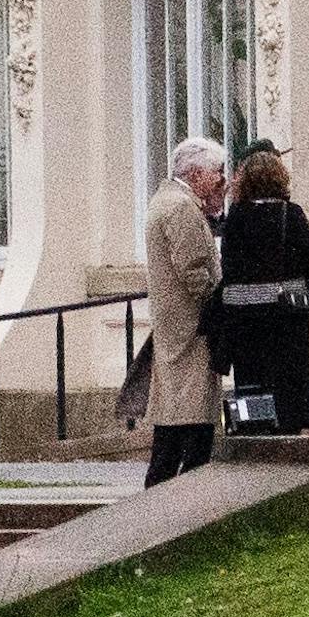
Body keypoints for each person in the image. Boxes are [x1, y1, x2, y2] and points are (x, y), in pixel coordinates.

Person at [213, 142, 309, 432]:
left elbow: (229, 262)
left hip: (244, 314)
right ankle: (288, 426)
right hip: (286, 312)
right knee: (287, 374)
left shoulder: (236, 215)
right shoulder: (292, 213)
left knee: (251, 375)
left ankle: (253, 431)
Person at [140, 133, 228, 486]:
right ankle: (179, 499)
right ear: (195, 172)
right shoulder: (181, 207)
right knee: (190, 425)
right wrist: (216, 301)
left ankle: (163, 490)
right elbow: (193, 268)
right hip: (191, 329)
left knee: (174, 424)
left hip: (177, 328)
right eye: (217, 171)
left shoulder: (168, 201)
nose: (222, 179)